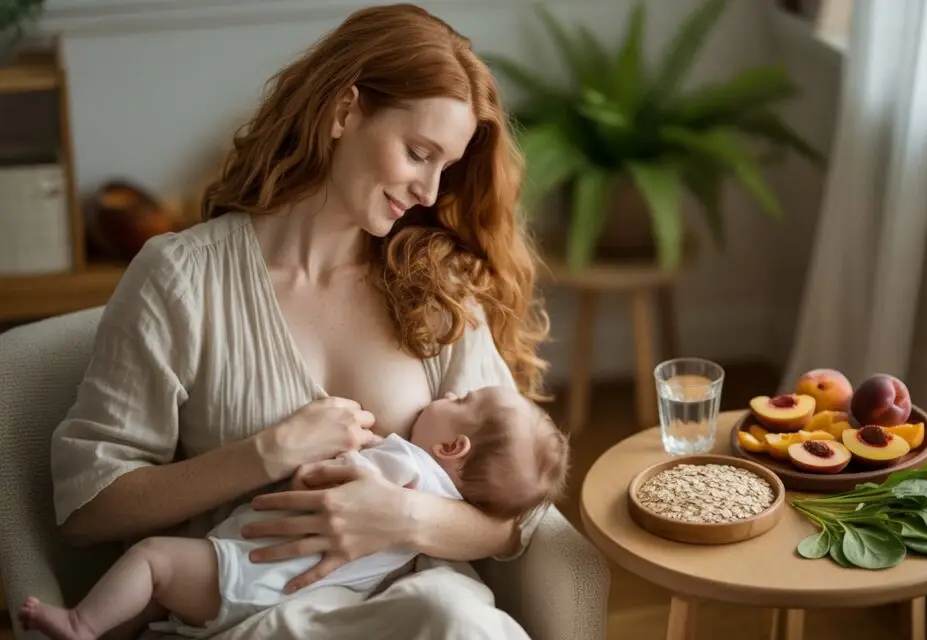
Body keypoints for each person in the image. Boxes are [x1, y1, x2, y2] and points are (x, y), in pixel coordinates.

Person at [43, 4, 555, 639]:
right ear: (345, 111)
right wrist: (266, 453)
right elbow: (87, 508)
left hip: (420, 612)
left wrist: (401, 518)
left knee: (452, 616)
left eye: (444, 168)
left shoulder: (435, 286)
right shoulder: (183, 279)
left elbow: (515, 519)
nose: (429, 191)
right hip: (255, 613)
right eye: (418, 152)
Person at [21, 386, 570, 640]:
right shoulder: (445, 505)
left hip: (246, 567)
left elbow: (317, 485)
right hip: (287, 596)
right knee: (160, 586)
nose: (450, 389)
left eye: (462, 399)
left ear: (452, 448)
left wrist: (322, 454)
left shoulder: (405, 462)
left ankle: (81, 623)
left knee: (151, 562)